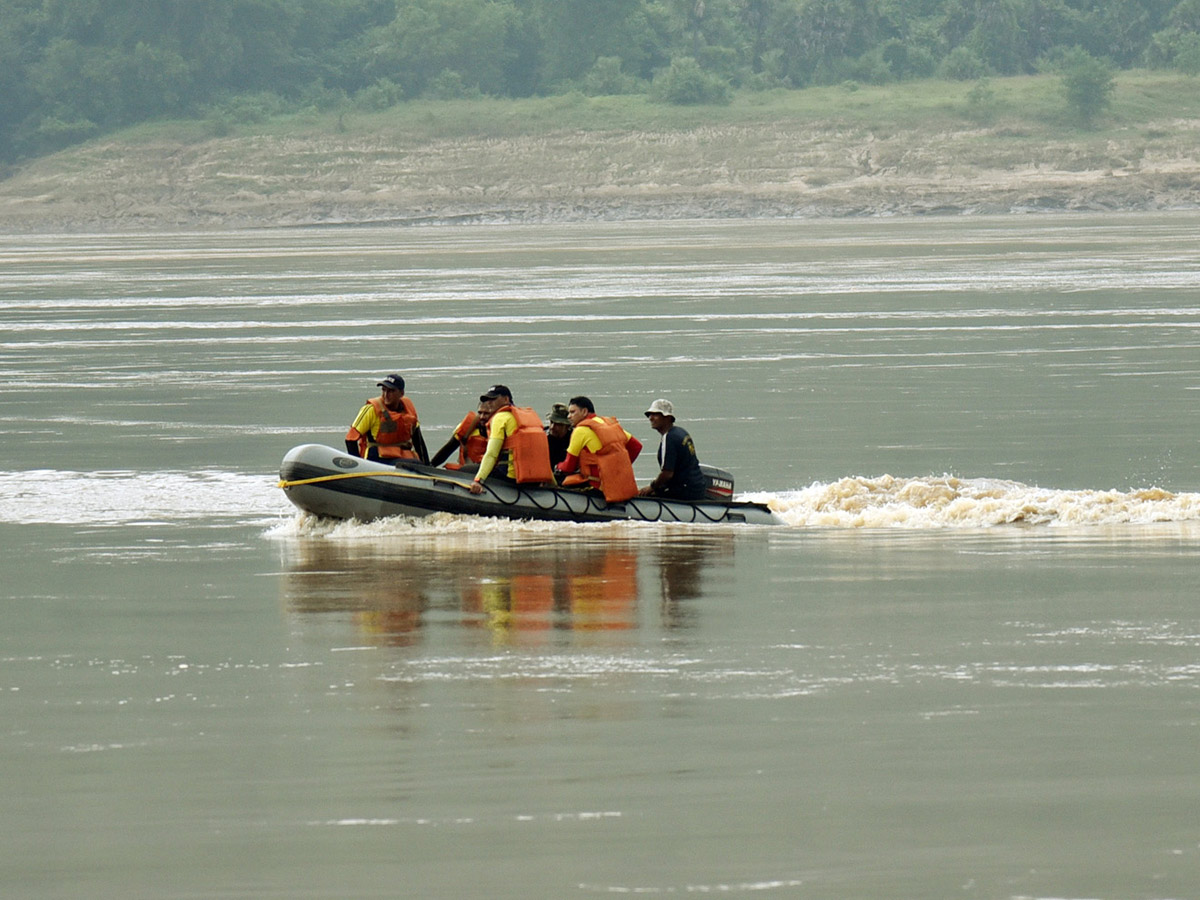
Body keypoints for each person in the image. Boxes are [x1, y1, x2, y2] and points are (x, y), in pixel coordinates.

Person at [468, 384, 554, 494]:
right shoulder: (528, 417)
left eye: (493, 399)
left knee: (464, 471)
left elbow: (491, 454)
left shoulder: (500, 418)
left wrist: (478, 481)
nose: (489, 403)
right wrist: (553, 483)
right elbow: (543, 457)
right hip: (534, 479)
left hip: (510, 478)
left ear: (505, 399)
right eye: (488, 400)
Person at [555, 395, 643, 502]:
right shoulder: (608, 424)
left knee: (562, 482)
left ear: (584, 411)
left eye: (573, 412)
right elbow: (636, 446)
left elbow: (569, 466)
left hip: (596, 487)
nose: (569, 416)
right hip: (617, 485)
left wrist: (557, 467)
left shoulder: (581, 430)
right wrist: (621, 469)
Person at [344, 374, 429, 464]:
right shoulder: (371, 409)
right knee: (414, 463)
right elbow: (350, 439)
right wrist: (358, 465)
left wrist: (427, 466)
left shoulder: (408, 410)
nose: (386, 395)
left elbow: (419, 442)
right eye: (384, 390)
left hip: (403, 458)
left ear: (401, 393)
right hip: (377, 458)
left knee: (417, 463)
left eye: (391, 391)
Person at [638, 398, 705, 500]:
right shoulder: (680, 432)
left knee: (644, 495)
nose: (651, 418)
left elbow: (667, 474)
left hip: (686, 490)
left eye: (655, 414)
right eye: (649, 415)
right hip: (696, 486)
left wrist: (651, 487)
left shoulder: (669, 438)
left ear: (667, 417)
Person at [430, 400, 492, 470]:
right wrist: (431, 466)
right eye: (480, 413)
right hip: (466, 471)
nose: (482, 417)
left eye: (486, 414)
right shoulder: (467, 427)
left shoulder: (500, 429)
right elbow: (448, 449)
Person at [545, 403, 573, 470]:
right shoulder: (544, 438)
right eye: (551, 422)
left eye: (558, 424)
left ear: (567, 426)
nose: (552, 427)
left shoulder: (574, 440)